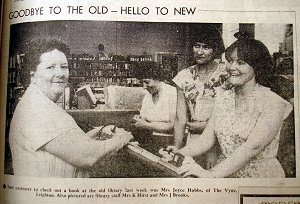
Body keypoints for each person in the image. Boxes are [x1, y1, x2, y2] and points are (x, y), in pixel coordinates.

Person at [162, 34, 293, 178]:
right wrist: (179, 153)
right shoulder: (223, 97)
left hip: (259, 177)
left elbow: (252, 147)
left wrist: (211, 174)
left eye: (241, 63)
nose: (232, 67)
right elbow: (206, 139)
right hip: (225, 174)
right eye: (230, 61)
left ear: (256, 67)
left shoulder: (273, 102)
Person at [9, 39, 133, 178]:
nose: (60, 74)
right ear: (33, 76)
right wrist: (122, 138)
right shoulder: (38, 110)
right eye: (50, 67)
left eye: (64, 67)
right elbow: (87, 156)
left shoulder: (37, 102)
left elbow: (66, 145)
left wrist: (99, 131)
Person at [172, 25, 227, 149]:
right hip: (194, 141)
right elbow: (180, 119)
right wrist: (176, 148)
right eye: (197, 46)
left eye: (206, 47)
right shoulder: (183, 76)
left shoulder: (226, 75)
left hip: (221, 140)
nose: (200, 52)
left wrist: (208, 126)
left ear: (215, 49)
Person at [131, 62, 177, 154]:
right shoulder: (148, 94)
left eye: (147, 82)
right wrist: (138, 120)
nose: (144, 87)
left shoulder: (172, 93)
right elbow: (143, 118)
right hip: (151, 140)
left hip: (169, 143)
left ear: (158, 78)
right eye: (142, 82)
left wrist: (147, 125)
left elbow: (172, 125)